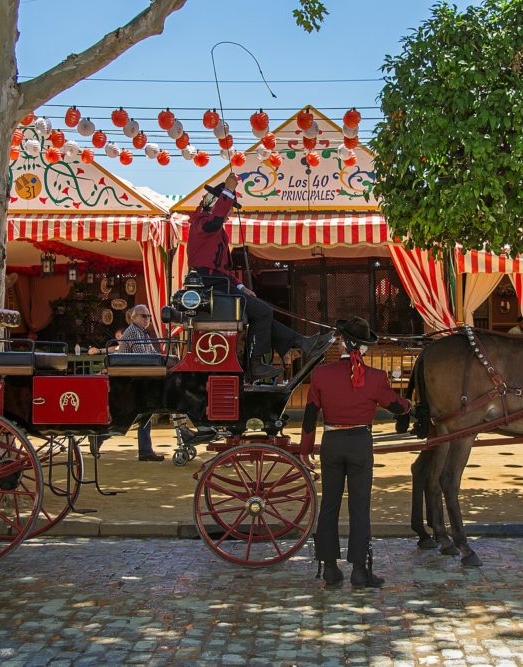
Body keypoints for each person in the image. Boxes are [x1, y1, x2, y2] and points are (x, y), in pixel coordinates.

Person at [300, 316, 411, 589]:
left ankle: (329, 569)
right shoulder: (375, 377)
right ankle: (360, 571)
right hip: (360, 443)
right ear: (361, 349)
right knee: (359, 508)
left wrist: (305, 450)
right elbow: (395, 406)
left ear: (343, 344)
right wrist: (409, 405)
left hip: (331, 442)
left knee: (329, 506)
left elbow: (310, 415)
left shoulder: (321, 374)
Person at [188, 171, 331, 379]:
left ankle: (302, 343)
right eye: (227, 208)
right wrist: (228, 190)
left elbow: (223, 270)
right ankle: (257, 364)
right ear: (215, 202)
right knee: (263, 311)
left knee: (261, 312)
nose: (228, 214)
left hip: (219, 283)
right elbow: (215, 222)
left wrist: (240, 287)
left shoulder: (215, 231)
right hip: (209, 286)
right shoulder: (201, 222)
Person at [116, 304, 164, 461]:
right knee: (143, 409)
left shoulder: (142, 333)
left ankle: (145, 450)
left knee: (145, 410)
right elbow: (144, 357)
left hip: (138, 378)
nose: (147, 319)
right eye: (144, 316)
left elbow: (151, 353)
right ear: (134, 318)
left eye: (149, 316)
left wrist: (165, 359)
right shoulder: (133, 333)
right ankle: (145, 450)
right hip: (129, 380)